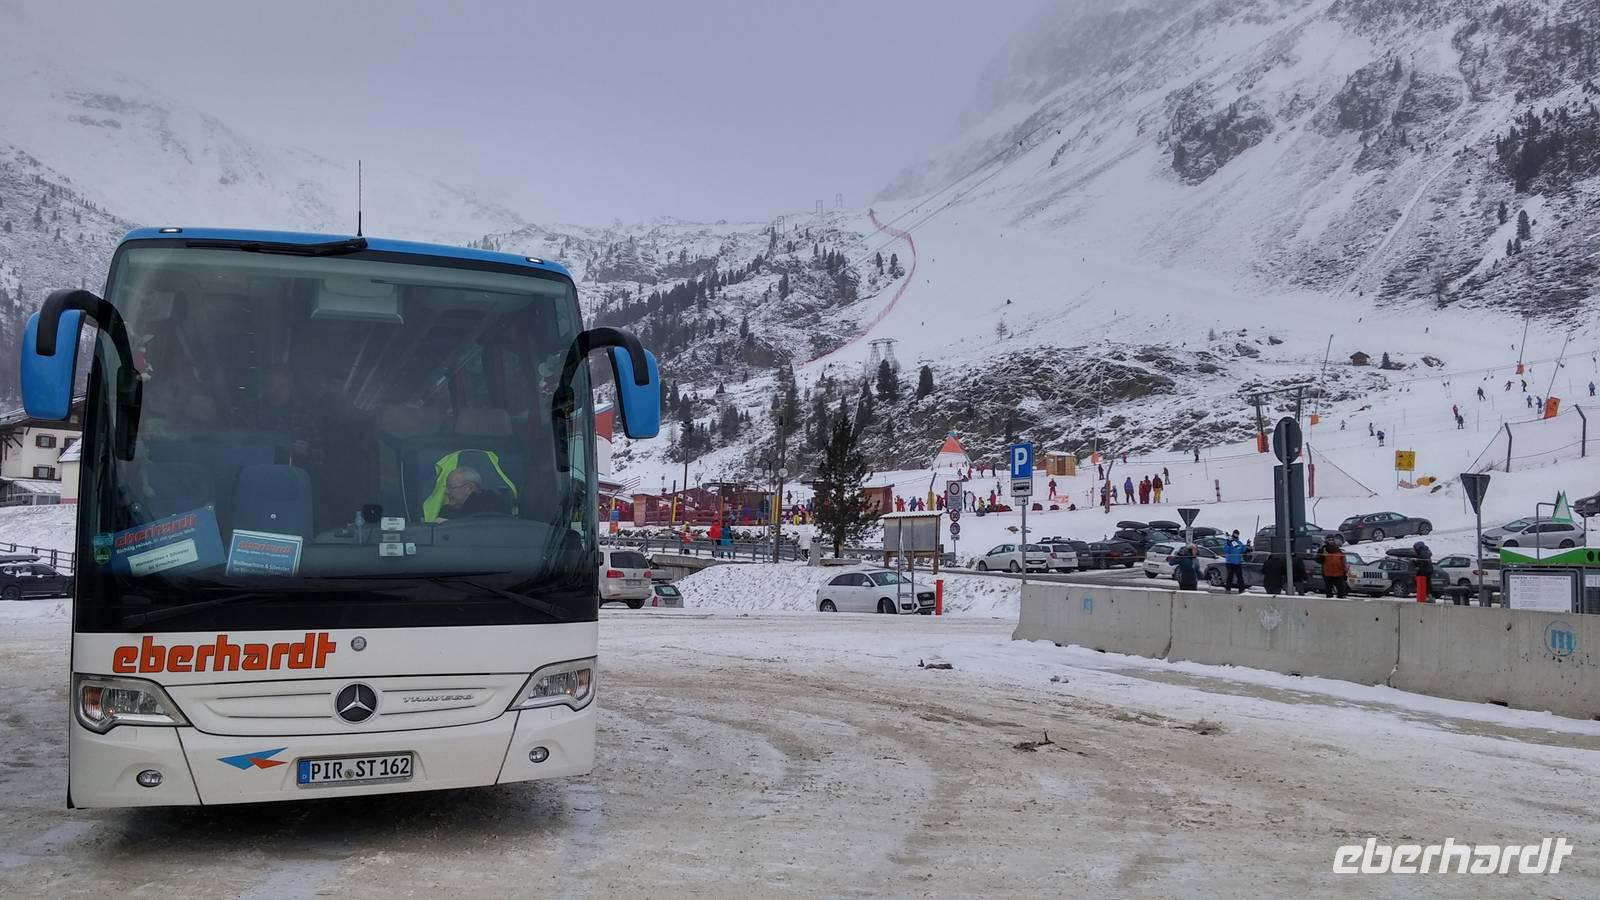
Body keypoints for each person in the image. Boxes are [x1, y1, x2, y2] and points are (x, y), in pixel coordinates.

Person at [434, 466, 511, 521]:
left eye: (450, 487)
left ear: (469, 488)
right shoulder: (446, 512)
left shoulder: (495, 508)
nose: (446, 492)